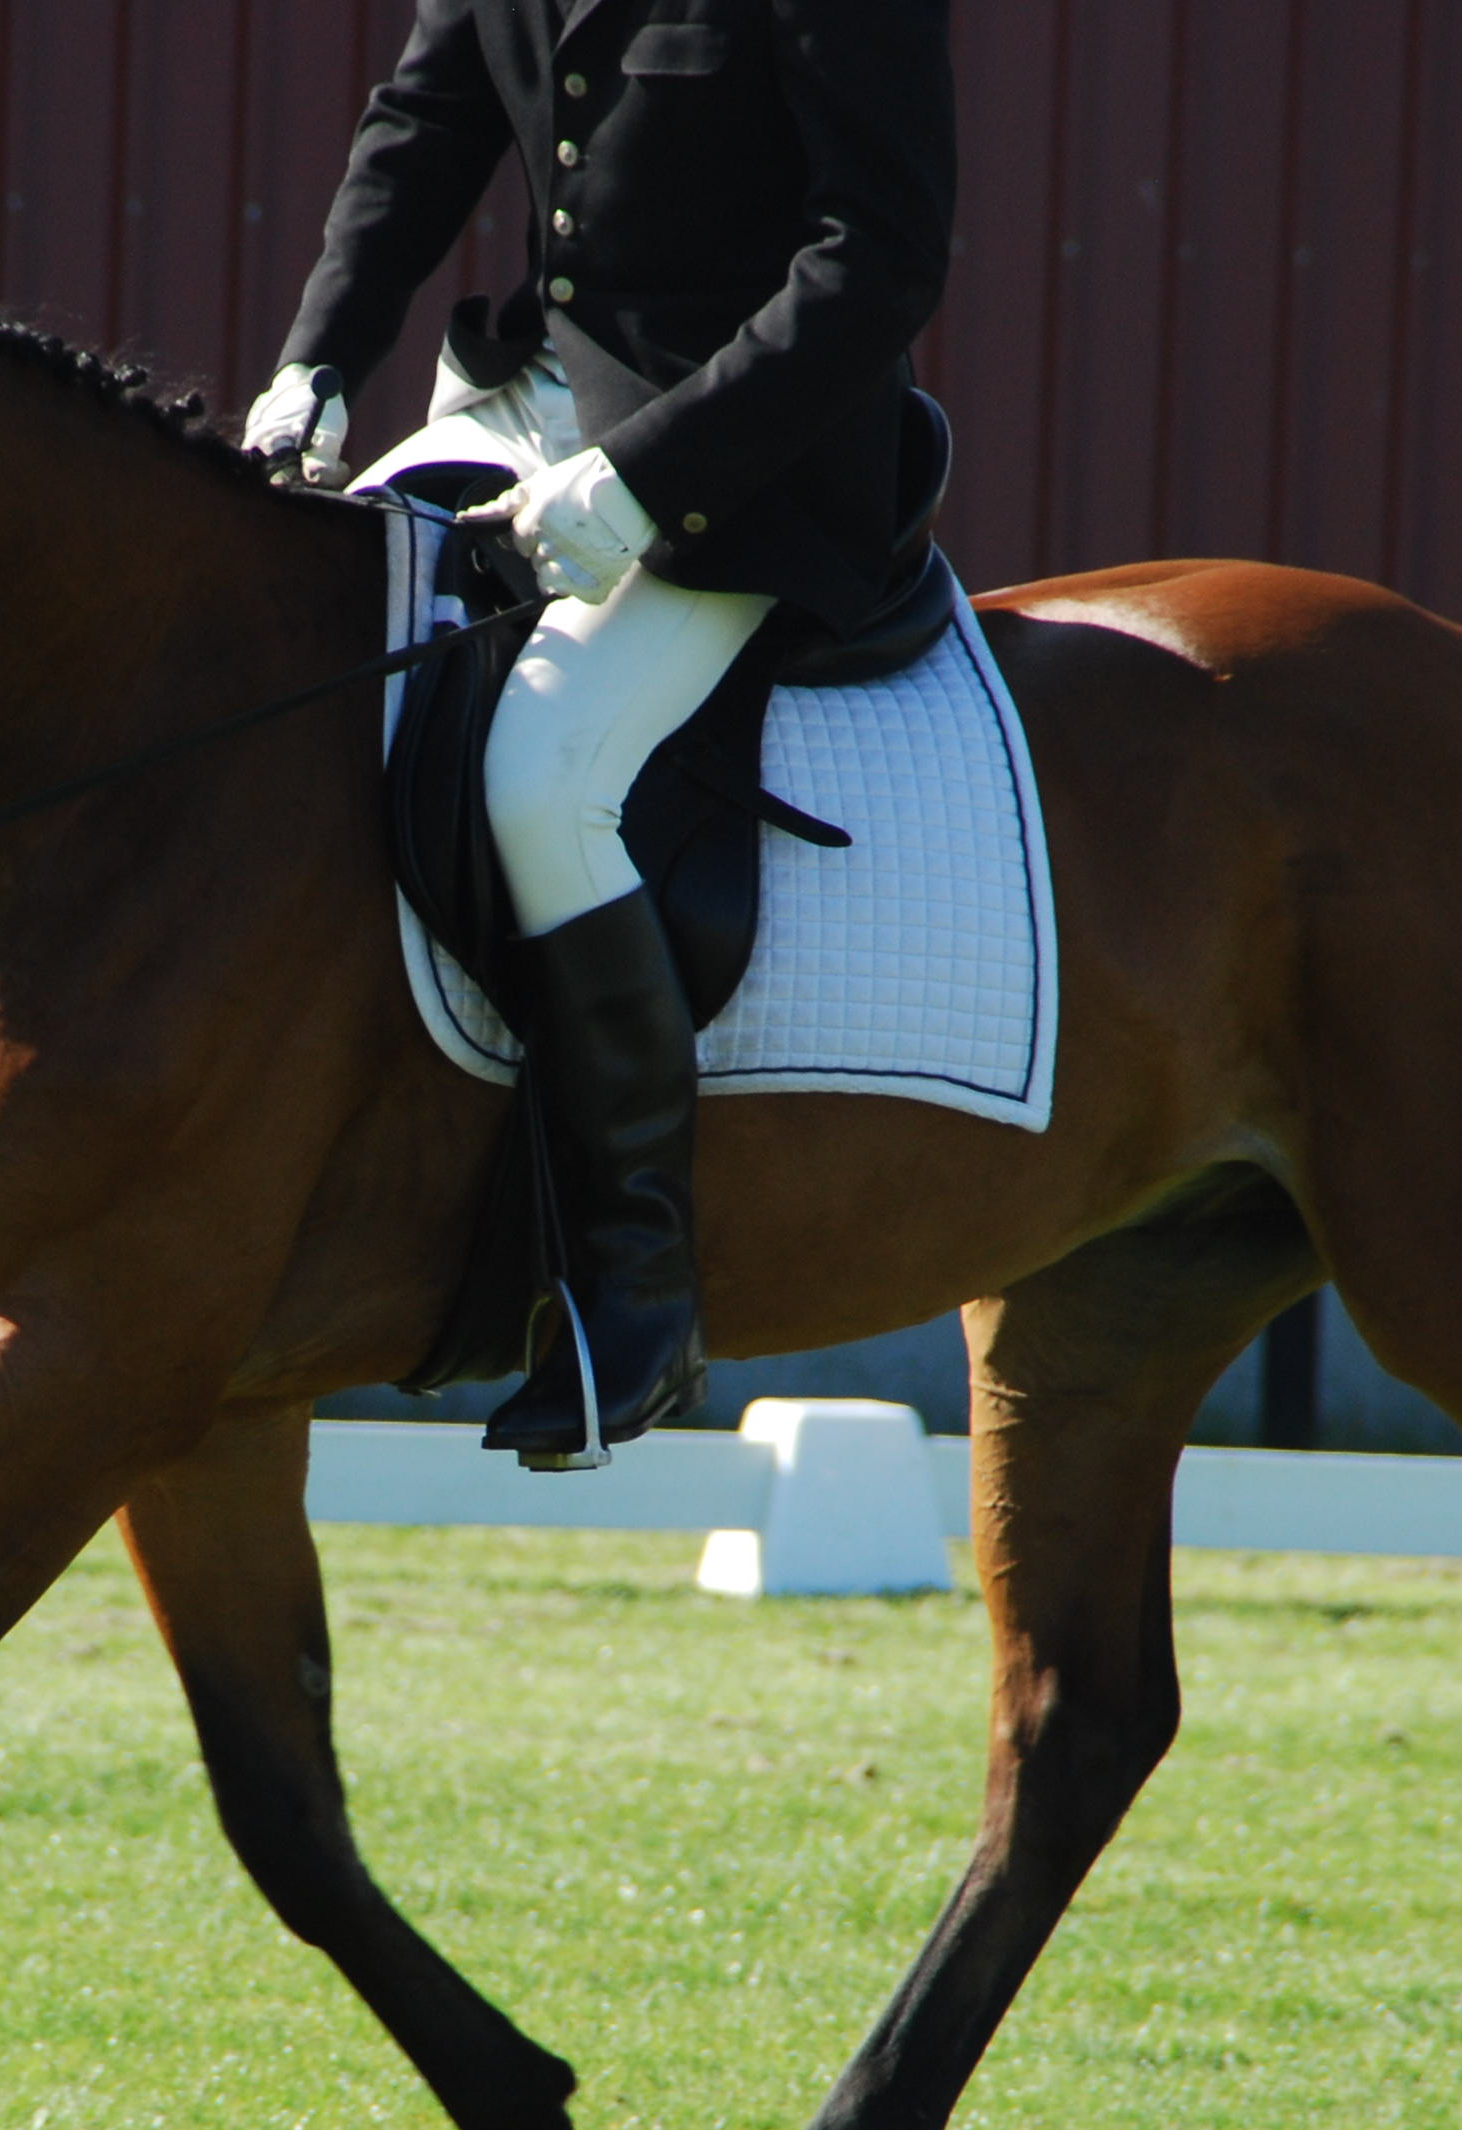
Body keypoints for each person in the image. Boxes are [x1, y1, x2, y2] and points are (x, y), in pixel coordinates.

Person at [246, 0, 956, 1465]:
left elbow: (877, 257)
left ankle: (636, 1285)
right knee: (303, 684)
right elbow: (424, 131)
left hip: (751, 459)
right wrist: (316, 361)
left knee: (547, 772)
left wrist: (642, 482)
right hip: (524, 400)